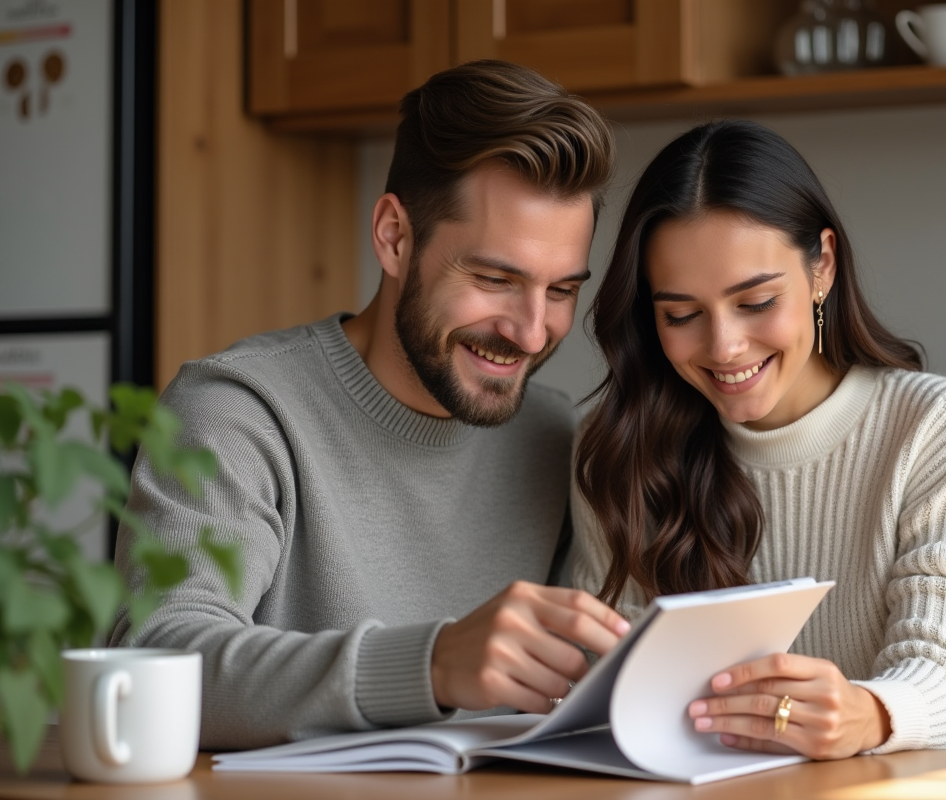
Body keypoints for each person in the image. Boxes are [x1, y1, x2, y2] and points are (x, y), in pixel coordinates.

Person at [110, 61, 630, 750]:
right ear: (394, 236)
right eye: (494, 279)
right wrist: (434, 663)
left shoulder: (557, 436)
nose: (532, 332)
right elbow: (155, 661)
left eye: (561, 290)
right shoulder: (237, 412)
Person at [572, 119, 946, 759]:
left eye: (755, 302)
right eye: (681, 315)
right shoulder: (621, 449)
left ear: (823, 268)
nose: (724, 346)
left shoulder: (937, 427)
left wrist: (867, 714)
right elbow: (605, 688)